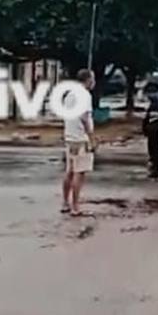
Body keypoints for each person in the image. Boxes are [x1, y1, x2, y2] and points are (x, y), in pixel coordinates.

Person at [61, 69, 96, 217]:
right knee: (79, 172)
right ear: (87, 79)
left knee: (70, 170)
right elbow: (84, 116)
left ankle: (65, 203)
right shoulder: (85, 95)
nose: (94, 82)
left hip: (70, 135)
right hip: (80, 137)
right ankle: (75, 206)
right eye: (93, 79)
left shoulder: (70, 94)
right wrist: (91, 136)